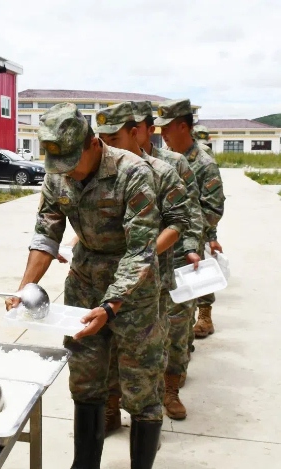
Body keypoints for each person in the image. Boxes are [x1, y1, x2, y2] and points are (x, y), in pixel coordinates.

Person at [8, 103, 164, 468]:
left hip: (134, 292)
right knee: (85, 381)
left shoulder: (133, 173)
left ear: (94, 144)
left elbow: (141, 249)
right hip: (84, 284)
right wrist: (24, 289)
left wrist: (111, 306)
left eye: (74, 163)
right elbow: (46, 236)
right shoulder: (58, 175)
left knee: (141, 388)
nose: (68, 174)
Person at [96, 102, 194, 429]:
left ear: (136, 131)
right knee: (107, 348)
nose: (107, 143)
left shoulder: (165, 168)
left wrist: (145, 252)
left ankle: (161, 398)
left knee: (152, 349)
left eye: (115, 135)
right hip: (108, 280)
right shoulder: (102, 169)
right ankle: (110, 407)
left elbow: (182, 220)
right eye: (103, 136)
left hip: (153, 278)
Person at [133, 101, 205, 404]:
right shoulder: (111, 164)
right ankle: (117, 402)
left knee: (175, 330)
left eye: (135, 129)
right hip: (134, 265)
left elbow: (192, 211)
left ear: (149, 130)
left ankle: (171, 389)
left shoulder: (174, 163)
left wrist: (191, 247)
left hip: (172, 260)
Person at [156, 99, 225, 344]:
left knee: (184, 299)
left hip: (189, 240)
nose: (162, 133)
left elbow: (213, 208)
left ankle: (199, 323)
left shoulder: (204, 162)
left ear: (183, 127)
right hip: (165, 238)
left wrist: (192, 231)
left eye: (167, 128)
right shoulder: (165, 160)